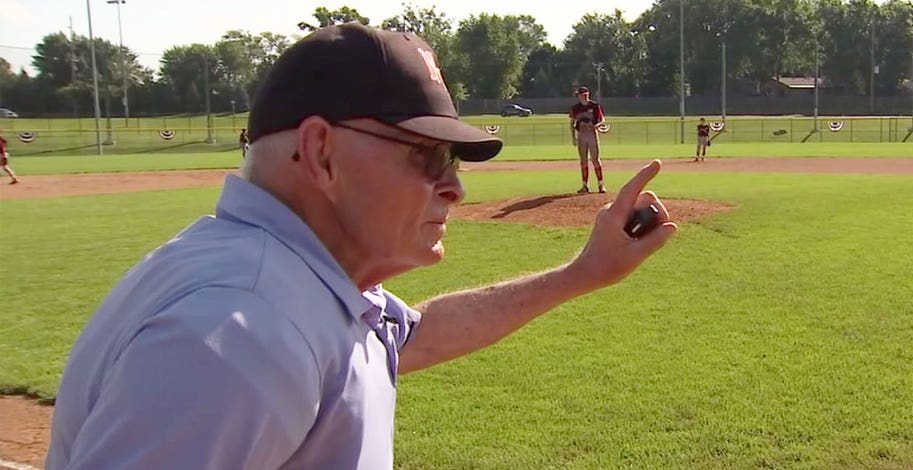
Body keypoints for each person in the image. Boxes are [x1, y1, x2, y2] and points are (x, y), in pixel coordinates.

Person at [46, 23, 676, 470]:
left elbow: (413, 336)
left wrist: (581, 273)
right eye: (425, 155)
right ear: (321, 152)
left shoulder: (293, 282)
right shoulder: (237, 333)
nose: (454, 186)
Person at [569, 86, 607, 194]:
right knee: (583, 161)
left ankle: (601, 184)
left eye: (585, 94)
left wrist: (597, 125)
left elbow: (602, 119)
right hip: (581, 134)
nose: (583, 97)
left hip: (592, 134)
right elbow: (572, 123)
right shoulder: (576, 108)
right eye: (581, 95)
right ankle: (585, 185)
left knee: (595, 159)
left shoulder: (594, 106)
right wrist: (573, 137)